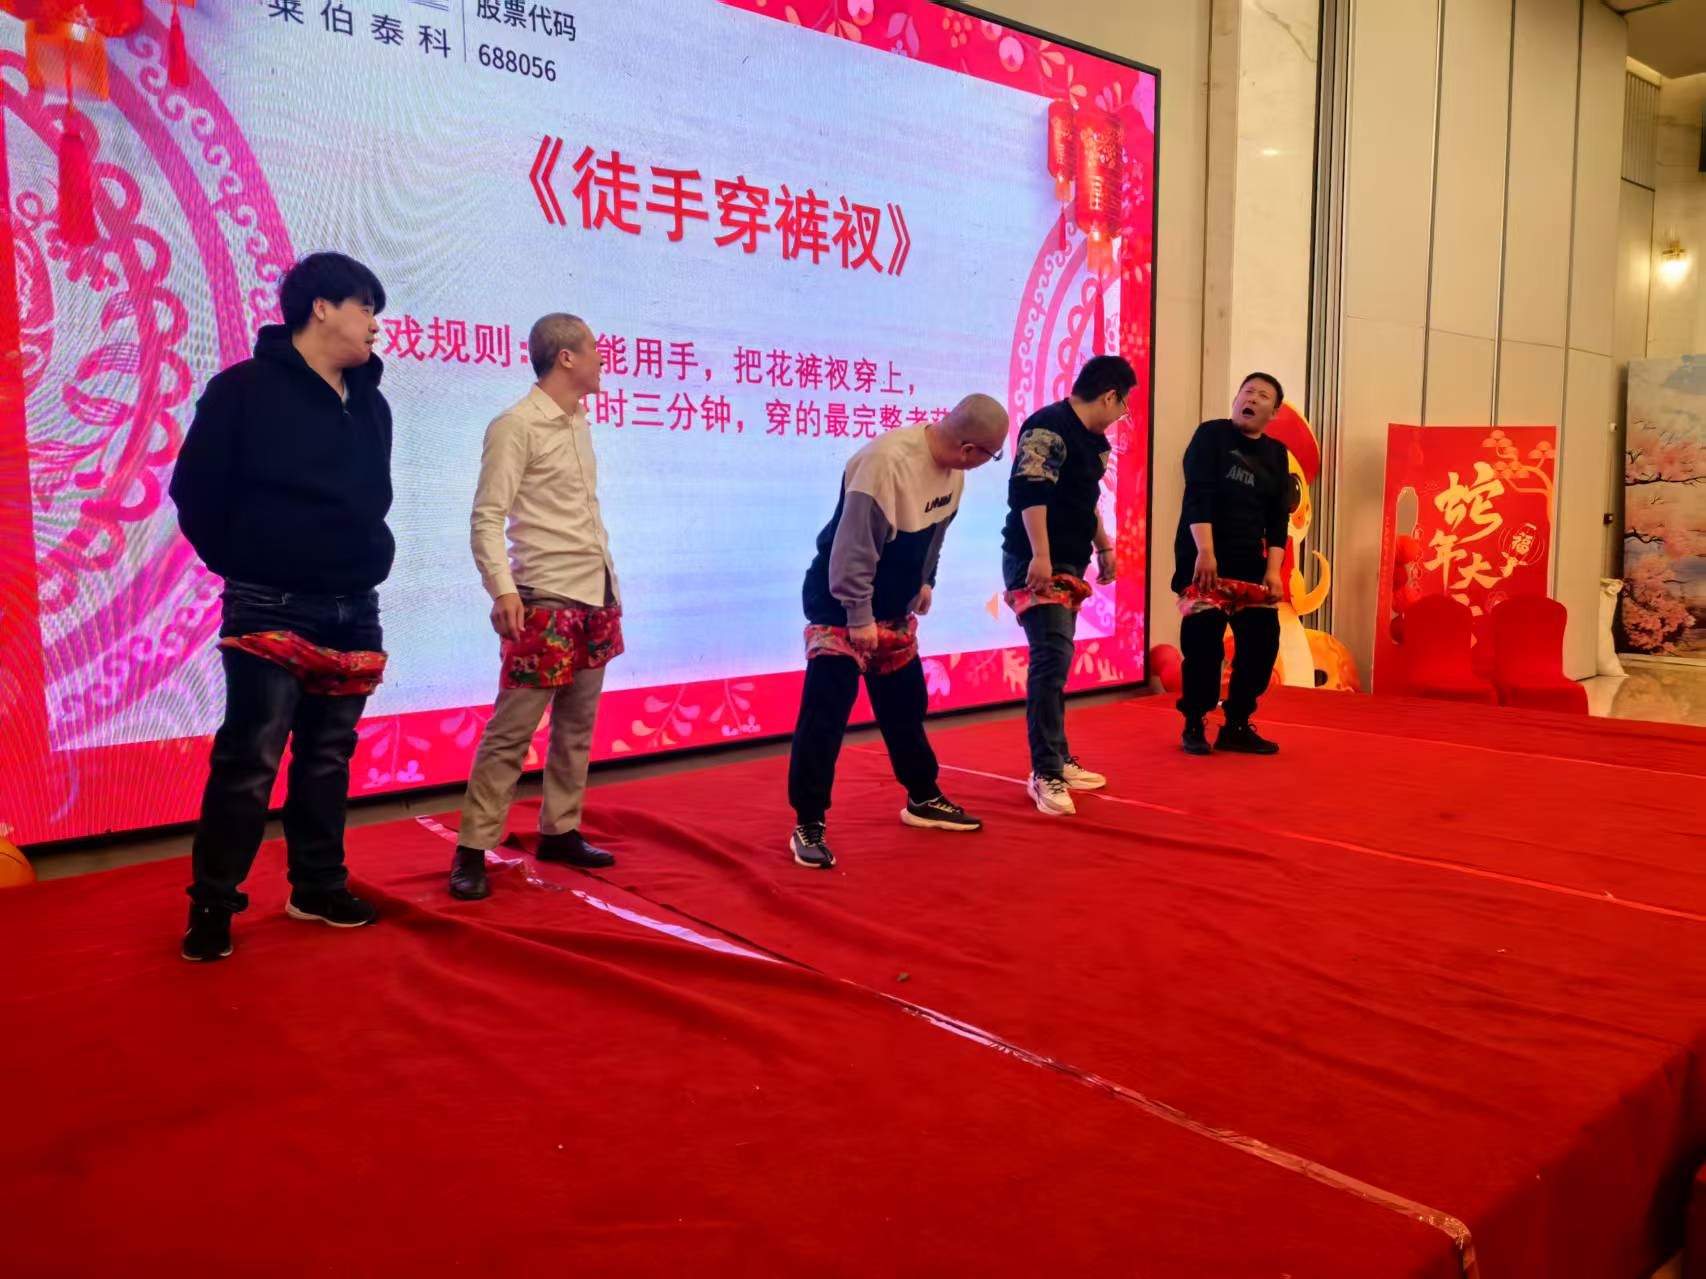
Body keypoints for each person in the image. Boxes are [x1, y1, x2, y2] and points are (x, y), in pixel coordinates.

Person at [170, 252, 393, 962]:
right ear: (321, 307)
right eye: (366, 308)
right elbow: (194, 492)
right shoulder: (242, 389)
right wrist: (248, 561)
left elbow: (375, 498)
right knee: (251, 757)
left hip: (355, 602)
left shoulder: (372, 402)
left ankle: (317, 886)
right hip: (269, 601)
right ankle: (213, 904)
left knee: (328, 756)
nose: (375, 326)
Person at [786, 395, 1010, 870]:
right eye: (989, 457)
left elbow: (935, 534)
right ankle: (808, 820)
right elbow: (852, 548)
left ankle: (922, 796)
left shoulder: (953, 474)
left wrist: (926, 581)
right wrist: (858, 615)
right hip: (841, 603)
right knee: (827, 711)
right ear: (969, 449)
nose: (983, 466)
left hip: (892, 605)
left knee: (905, 706)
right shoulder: (884, 463)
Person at [448, 314, 623, 901]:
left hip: (596, 591)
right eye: (594, 349)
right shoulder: (515, 425)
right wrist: (502, 589)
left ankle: (560, 830)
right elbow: (486, 516)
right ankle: (473, 847)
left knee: (577, 726)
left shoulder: (578, 422)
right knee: (513, 730)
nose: (602, 359)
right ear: (566, 357)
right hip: (544, 597)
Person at [1002, 355, 1136, 817]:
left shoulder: (1095, 442)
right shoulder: (1048, 426)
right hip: (1035, 560)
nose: (1122, 415)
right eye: (1124, 405)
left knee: (1057, 660)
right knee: (1051, 657)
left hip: (1070, 560)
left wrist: (1104, 545)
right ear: (1109, 396)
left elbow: (1086, 499)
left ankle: (1057, 756)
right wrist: (1039, 555)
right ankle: (1045, 771)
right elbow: (1030, 493)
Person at [1172, 372, 1292, 756]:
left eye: (1262, 395)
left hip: (1250, 565)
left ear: (1273, 412)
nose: (1252, 398)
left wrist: (1273, 570)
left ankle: (1237, 724)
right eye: (1247, 391)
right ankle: (1194, 722)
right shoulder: (1211, 435)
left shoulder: (1276, 453)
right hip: (1202, 560)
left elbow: (1278, 519)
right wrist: (1205, 551)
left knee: (1262, 646)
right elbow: (1198, 495)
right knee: (1203, 648)